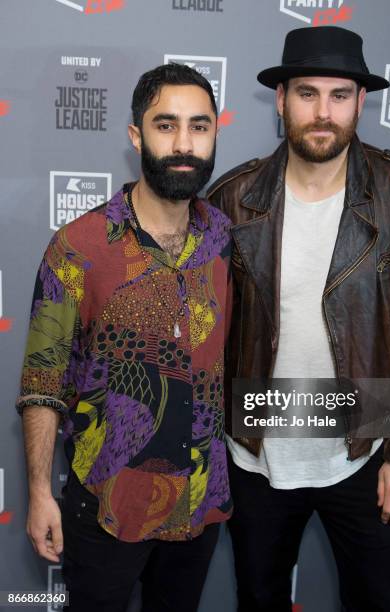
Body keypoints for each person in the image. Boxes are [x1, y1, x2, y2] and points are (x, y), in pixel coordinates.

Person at [207, 26, 390, 612]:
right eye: (307, 94)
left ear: (361, 102)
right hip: (256, 456)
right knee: (259, 600)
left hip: (365, 455)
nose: (323, 112)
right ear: (283, 99)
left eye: (340, 95)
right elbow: (208, 337)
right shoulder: (231, 200)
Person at [17, 63, 233, 612]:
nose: (184, 142)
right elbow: (43, 382)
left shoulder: (228, 243)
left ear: (214, 134)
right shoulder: (78, 246)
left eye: (199, 126)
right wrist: (40, 492)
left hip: (199, 506)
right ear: (137, 135)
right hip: (104, 505)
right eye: (166, 125)